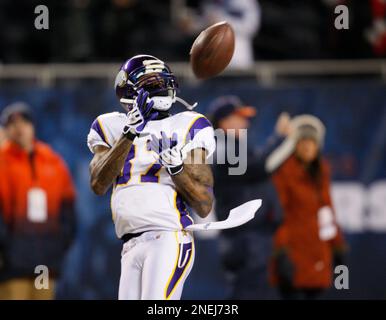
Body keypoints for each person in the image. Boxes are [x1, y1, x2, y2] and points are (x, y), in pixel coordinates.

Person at [87, 54, 216, 300]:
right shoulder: (110, 125)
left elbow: (204, 204)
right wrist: (129, 134)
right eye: (150, 82)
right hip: (130, 244)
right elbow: (98, 184)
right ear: (127, 88)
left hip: (167, 236)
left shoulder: (188, 125)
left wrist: (177, 168)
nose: (160, 87)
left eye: (162, 81)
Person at [209, 95, 292, 299]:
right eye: (239, 117)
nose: (246, 122)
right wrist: (280, 137)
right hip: (244, 236)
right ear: (224, 121)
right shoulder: (223, 147)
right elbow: (261, 167)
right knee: (249, 292)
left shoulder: (232, 146)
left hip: (247, 235)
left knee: (250, 290)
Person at [0, 102, 77, 300]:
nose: (19, 128)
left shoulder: (53, 162)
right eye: (12, 123)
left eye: (23, 121)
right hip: (11, 264)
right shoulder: (2, 161)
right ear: (6, 130)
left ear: (33, 125)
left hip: (43, 264)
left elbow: (68, 211)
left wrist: (56, 247)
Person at [270, 115, 347, 300]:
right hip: (293, 255)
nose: (307, 146)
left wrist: (337, 245)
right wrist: (281, 252)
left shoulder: (321, 172)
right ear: (293, 145)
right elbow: (277, 215)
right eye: (302, 141)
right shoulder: (283, 172)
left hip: (318, 255)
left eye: (311, 141)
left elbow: (327, 211)